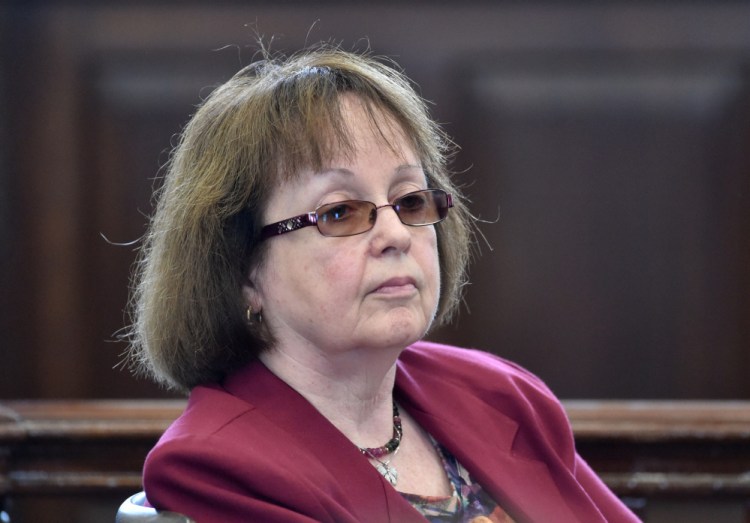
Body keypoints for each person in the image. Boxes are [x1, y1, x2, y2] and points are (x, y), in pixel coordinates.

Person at [127, 45, 640, 522]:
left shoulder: (501, 394)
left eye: (410, 200)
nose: (395, 233)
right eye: (340, 212)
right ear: (242, 272)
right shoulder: (216, 466)